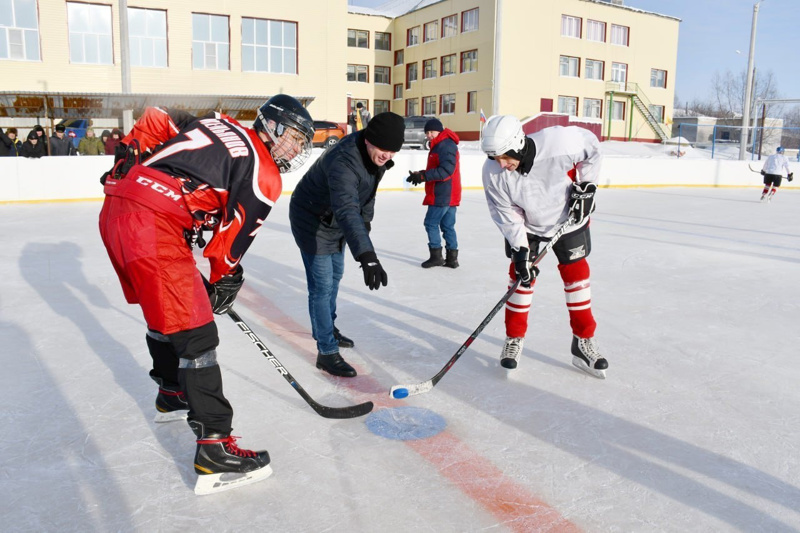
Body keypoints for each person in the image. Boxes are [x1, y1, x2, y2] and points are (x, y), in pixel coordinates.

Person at [98, 94, 315, 495]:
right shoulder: (264, 171)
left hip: (117, 211)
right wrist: (225, 280)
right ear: (273, 127)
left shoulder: (221, 124)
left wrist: (128, 157)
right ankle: (215, 449)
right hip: (153, 226)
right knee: (197, 335)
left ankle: (170, 392)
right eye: (296, 138)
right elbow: (228, 246)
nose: (298, 149)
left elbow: (157, 115)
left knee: (164, 311)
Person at [480, 115, 608, 379]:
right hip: (528, 227)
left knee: (577, 278)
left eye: (505, 157)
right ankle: (514, 338)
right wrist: (521, 250)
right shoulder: (493, 171)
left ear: (517, 143)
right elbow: (506, 212)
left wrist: (587, 186)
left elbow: (593, 148)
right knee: (521, 278)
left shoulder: (559, 142)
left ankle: (583, 341)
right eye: (495, 158)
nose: (502, 165)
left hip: (570, 221)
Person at [289, 112, 404, 377]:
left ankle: (327, 327)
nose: (388, 155)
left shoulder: (377, 158)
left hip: (335, 222)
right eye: (384, 148)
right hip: (312, 221)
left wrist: (365, 224)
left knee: (336, 276)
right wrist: (367, 255)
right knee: (322, 285)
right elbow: (347, 209)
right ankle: (326, 352)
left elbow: (367, 196)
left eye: (393, 150)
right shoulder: (344, 160)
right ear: (369, 141)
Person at [406, 118, 462, 268]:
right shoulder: (441, 144)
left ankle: (436, 257)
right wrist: (421, 174)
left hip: (442, 193)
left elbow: (446, 171)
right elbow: (440, 168)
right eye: (427, 132)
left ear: (439, 131)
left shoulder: (445, 145)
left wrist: (424, 176)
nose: (429, 135)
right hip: (449, 193)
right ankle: (452, 259)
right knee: (447, 226)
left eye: (432, 132)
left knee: (431, 223)